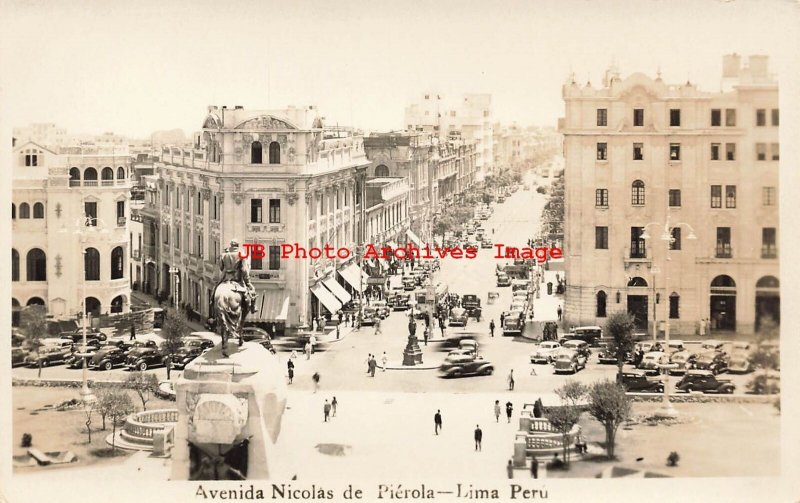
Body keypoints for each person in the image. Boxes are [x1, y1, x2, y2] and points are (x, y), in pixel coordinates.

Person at [214, 239, 257, 315]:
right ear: (237, 245)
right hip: (236, 278)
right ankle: (252, 306)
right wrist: (248, 282)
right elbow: (244, 270)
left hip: (225, 278)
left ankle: (212, 305)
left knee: (215, 290)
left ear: (231, 245)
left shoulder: (224, 254)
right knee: (251, 291)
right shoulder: (241, 254)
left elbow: (221, 267)